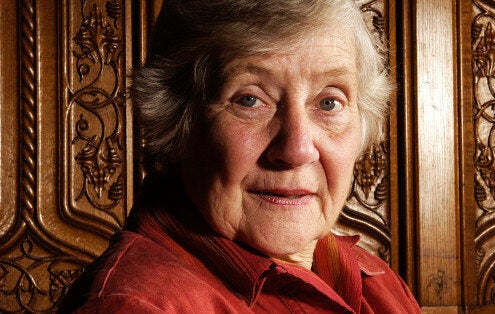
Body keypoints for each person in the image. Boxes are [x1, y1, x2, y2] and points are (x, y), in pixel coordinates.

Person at [58, 0, 421, 313]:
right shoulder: (136, 306)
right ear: (176, 121)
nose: (296, 150)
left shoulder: (380, 285)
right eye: (249, 99)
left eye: (329, 102)